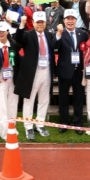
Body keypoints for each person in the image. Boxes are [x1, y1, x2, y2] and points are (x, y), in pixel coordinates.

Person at [14, 11, 54, 140]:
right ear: (33, 23)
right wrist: (21, 25)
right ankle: (28, 126)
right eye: (38, 22)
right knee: (29, 100)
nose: (40, 24)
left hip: (46, 71)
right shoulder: (27, 35)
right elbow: (18, 40)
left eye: (42, 22)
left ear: (45, 23)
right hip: (33, 72)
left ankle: (40, 124)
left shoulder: (49, 35)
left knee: (44, 99)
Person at [53, 9, 87, 133]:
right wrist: (58, 33)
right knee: (63, 99)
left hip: (78, 71)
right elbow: (54, 47)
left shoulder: (82, 33)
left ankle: (78, 123)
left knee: (79, 98)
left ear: (76, 20)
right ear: (64, 20)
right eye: (68, 19)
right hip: (64, 71)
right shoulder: (60, 33)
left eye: (73, 19)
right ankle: (64, 122)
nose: (70, 21)